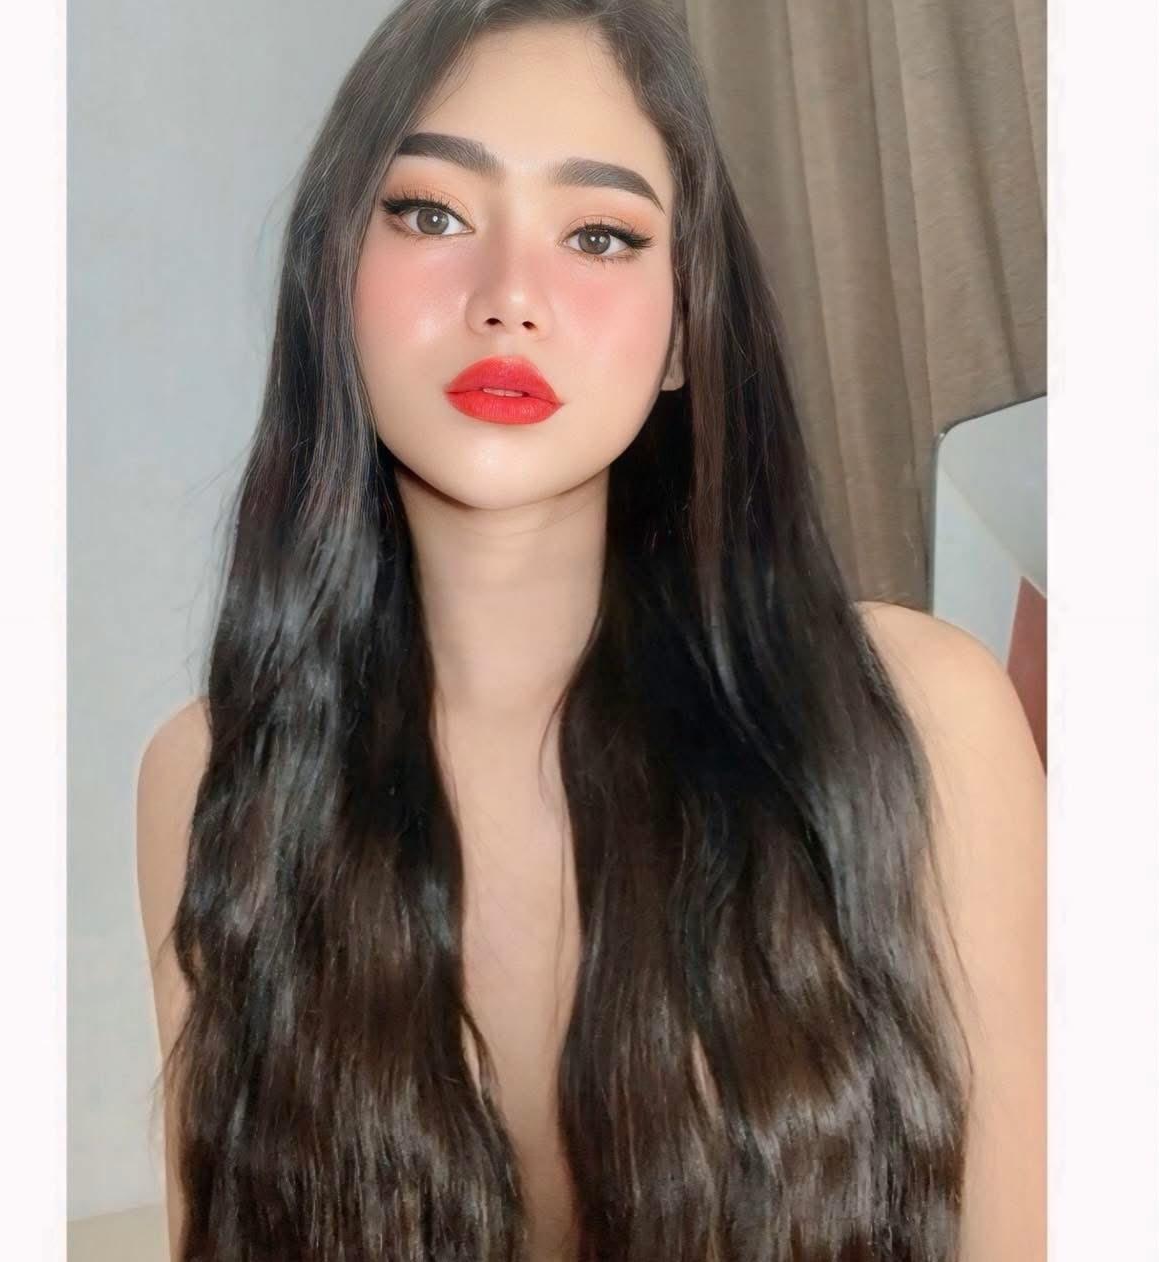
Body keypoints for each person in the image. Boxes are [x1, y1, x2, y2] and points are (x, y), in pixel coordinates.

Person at [135, 2, 1046, 1259]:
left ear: (684, 331)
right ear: (329, 273)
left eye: (601, 235)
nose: (510, 296)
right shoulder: (211, 774)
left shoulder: (919, 714)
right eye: (431, 214)